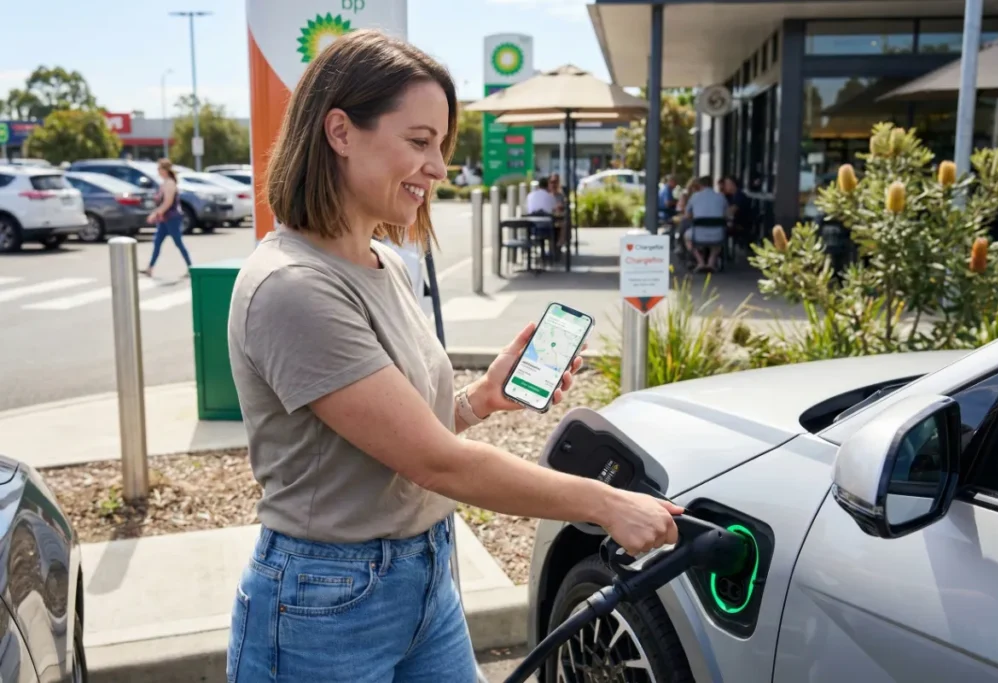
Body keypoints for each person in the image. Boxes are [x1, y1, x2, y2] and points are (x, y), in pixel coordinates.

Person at [224, 29, 682, 683]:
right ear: (340, 131)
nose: (438, 167)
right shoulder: (292, 287)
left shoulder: (388, 265)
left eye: (440, 145)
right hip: (324, 603)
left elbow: (401, 436)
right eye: (419, 142)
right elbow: (434, 460)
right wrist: (603, 503)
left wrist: (481, 398)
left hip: (424, 575)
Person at [140, 158, 192, 278]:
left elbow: (168, 202)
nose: (158, 171)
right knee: (157, 243)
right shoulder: (164, 183)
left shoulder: (170, 183)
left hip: (171, 218)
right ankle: (150, 268)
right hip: (163, 219)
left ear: (165, 170)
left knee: (178, 243)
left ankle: (191, 267)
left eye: (159, 168)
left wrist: (155, 214)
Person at [682, 175, 729, 271]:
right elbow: (726, 214)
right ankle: (711, 262)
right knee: (718, 242)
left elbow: (687, 215)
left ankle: (701, 262)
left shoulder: (695, 197)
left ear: (700, 185)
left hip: (698, 234)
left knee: (687, 237)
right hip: (717, 234)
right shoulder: (721, 197)